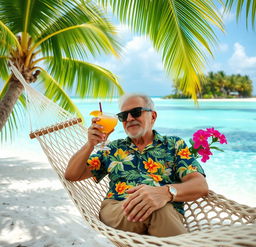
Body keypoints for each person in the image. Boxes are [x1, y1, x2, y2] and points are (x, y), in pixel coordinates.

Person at [65, 93, 208, 237]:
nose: (129, 119)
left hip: (167, 210)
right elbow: (72, 174)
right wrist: (90, 144)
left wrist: (165, 193)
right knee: (153, 208)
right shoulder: (114, 149)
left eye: (136, 112)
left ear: (153, 116)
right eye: (123, 116)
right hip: (118, 209)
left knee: (158, 208)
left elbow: (200, 185)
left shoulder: (174, 145)